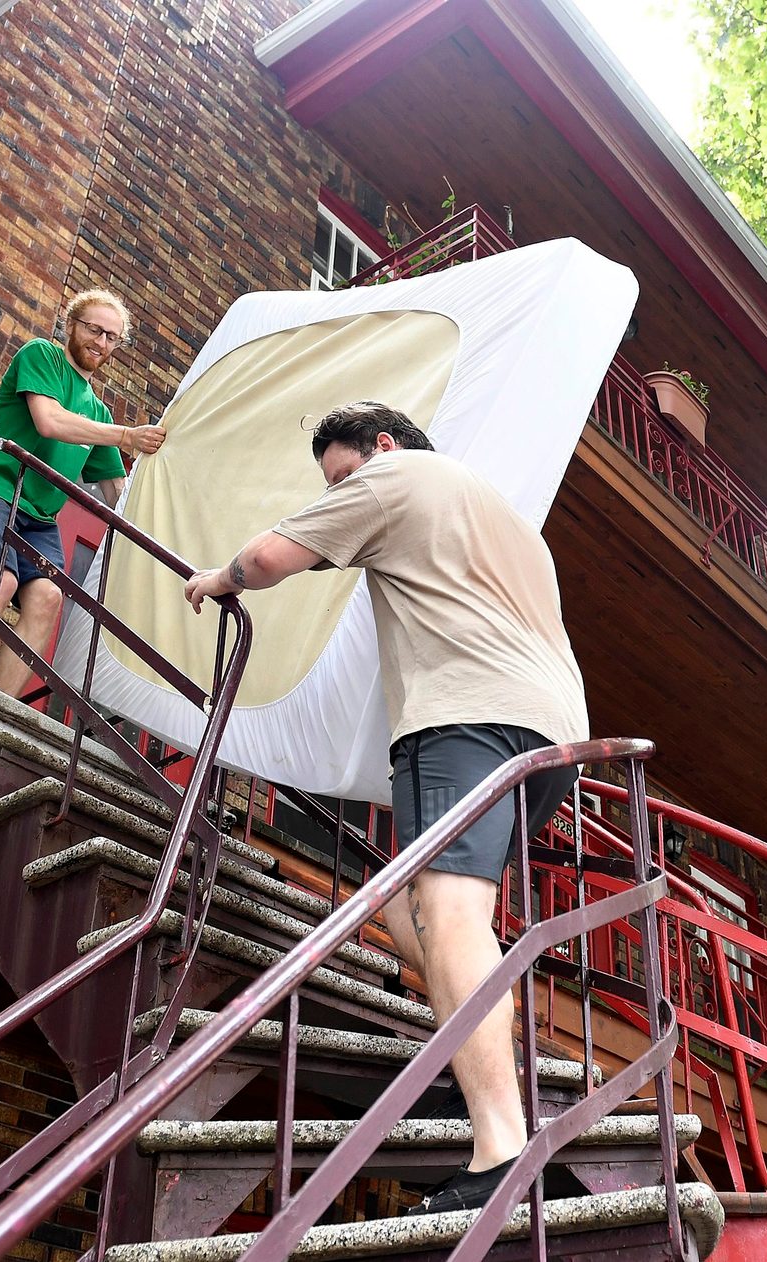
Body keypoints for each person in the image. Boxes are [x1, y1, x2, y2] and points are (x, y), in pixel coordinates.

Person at [181, 401, 589, 1215]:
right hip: (551, 733)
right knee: (421, 911)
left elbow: (269, 558)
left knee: (450, 913)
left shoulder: (396, 473)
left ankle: (505, 1149)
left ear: (383, 445)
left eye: (342, 472)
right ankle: (469, 1050)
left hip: (460, 718)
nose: (341, 489)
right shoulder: (499, 512)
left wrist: (218, 578)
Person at [0, 288, 166, 696]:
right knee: (0, 582)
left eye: (113, 338)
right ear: (71, 325)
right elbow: (49, 421)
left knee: (46, 598)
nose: (101, 343)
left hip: (39, 517)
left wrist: (158, 540)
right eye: (95, 330)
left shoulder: (98, 413)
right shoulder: (42, 355)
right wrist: (128, 435)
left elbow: (117, 492)